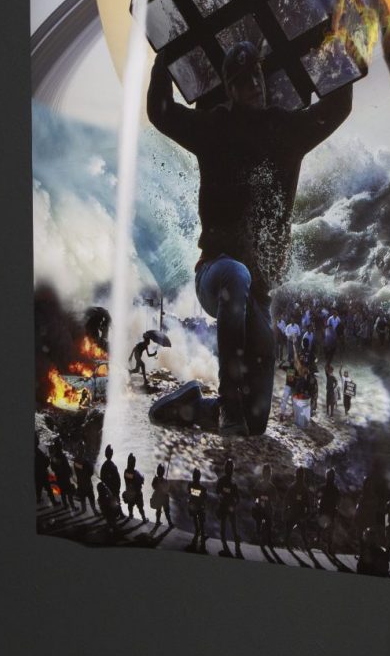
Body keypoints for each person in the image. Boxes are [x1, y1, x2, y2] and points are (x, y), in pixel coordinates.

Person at [146, 43, 352, 435]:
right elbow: (161, 112)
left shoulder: (286, 130)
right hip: (216, 274)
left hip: (258, 295)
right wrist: (163, 59)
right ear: (229, 88)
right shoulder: (215, 128)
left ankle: (194, 406)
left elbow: (339, 107)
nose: (253, 85)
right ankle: (228, 403)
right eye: (242, 81)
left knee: (256, 423)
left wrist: (341, 48)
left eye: (256, 76)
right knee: (235, 273)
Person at [216, 458, 240, 553]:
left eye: (231, 468)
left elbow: (237, 496)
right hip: (226, 506)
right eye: (228, 467)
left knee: (230, 525)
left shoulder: (231, 481)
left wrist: (235, 502)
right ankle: (230, 542)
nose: (230, 469)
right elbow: (218, 491)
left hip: (228, 506)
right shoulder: (225, 481)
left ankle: (233, 542)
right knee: (227, 525)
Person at [122, 453, 146, 523]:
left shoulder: (126, 472)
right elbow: (140, 481)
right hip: (136, 494)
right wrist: (142, 478)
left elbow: (133, 478)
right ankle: (143, 518)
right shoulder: (135, 473)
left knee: (130, 505)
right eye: (134, 462)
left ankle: (131, 515)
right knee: (140, 507)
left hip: (130, 493)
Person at [149, 463, 169, 532]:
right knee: (163, 510)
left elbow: (154, 486)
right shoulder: (159, 479)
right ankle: (162, 522)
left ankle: (159, 522)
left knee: (161, 510)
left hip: (159, 496)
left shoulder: (158, 479)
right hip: (160, 497)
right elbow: (154, 486)